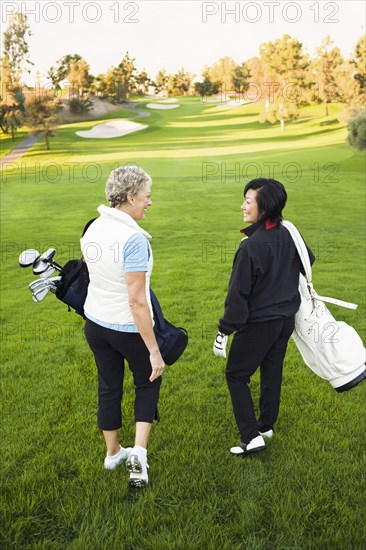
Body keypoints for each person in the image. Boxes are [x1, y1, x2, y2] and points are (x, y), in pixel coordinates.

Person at [213, 178, 315, 456]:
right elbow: (309, 260)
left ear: (264, 207)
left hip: (259, 324)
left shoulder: (250, 247)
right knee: (272, 371)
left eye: (248, 201)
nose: (242, 206)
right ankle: (266, 426)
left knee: (236, 375)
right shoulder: (288, 233)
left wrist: (224, 331)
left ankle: (251, 437)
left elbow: (237, 298)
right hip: (285, 322)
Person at [81, 165, 164, 488]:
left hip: (95, 325)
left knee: (109, 386)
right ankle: (138, 455)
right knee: (148, 380)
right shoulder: (133, 240)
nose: (150, 202)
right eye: (146, 196)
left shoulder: (93, 229)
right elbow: (136, 301)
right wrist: (154, 351)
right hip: (126, 328)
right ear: (130, 197)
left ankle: (113, 452)